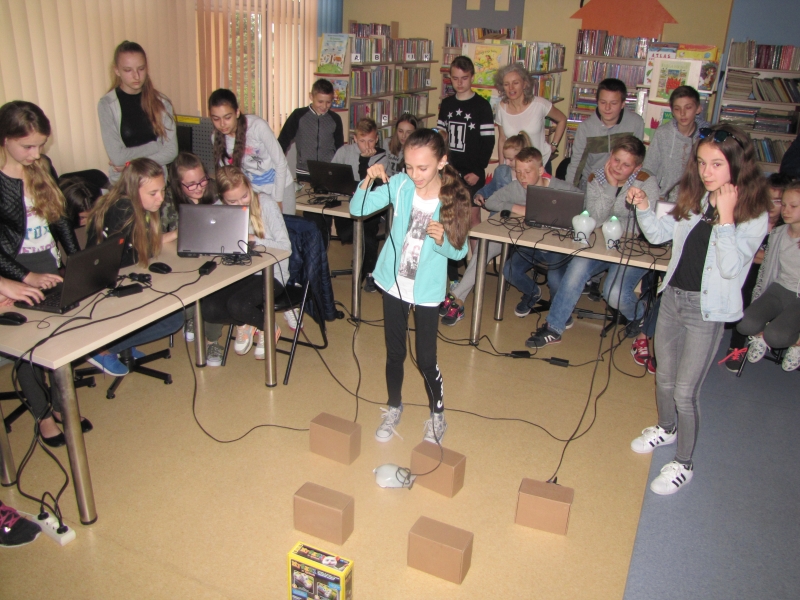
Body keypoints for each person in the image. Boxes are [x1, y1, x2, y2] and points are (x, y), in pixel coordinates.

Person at [628, 124, 770, 495]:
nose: (706, 172)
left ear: (737, 165)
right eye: (702, 163)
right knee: (663, 377)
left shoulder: (753, 214)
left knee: (685, 393)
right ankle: (666, 428)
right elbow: (659, 234)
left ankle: (684, 463)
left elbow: (731, 268)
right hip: (673, 298)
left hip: (707, 312)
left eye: (716, 164)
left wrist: (726, 217)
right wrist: (644, 208)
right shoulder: (698, 197)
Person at [350, 128, 470, 443]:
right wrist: (368, 181)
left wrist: (443, 241)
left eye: (423, 168)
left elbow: (461, 252)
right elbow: (357, 209)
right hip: (394, 285)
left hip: (427, 290)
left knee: (426, 359)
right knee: (395, 353)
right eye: (409, 166)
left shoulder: (453, 197)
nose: (414, 174)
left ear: (442, 162)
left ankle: (438, 414)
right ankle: (394, 407)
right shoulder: (401, 185)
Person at [0, 100, 84, 447]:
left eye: (40, 145)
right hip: (13, 271)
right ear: (5, 139)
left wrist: (77, 260)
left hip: (47, 262)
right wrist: (24, 277)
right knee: (29, 349)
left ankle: (62, 407)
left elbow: (58, 218)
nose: (36, 154)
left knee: (59, 337)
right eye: (27, 146)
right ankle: (44, 416)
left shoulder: (40, 166)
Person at [525, 136, 658, 348]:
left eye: (626, 165)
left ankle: (641, 314)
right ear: (610, 155)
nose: (618, 167)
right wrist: (611, 187)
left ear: (637, 167)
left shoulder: (647, 181)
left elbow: (646, 223)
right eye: (616, 160)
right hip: (600, 242)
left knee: (614, 294)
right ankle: (554, 327)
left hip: (633, 246)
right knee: (577, 267)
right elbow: (594, 218)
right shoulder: (596, 177)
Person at [630, 86, 710, 372]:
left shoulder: (707, 136)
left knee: (675, 273)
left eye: (688, 108)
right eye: (677, 109)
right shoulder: (664, 134)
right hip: (665, 207)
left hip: (693, 208)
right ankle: (646, 328)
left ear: (698, 108)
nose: (683, 114)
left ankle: (652, 333)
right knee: (655, 272)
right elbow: (650, 169)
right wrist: (644, 194)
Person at [86, 158, 185, 377]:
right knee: (173, 319)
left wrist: (175, 233)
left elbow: (144, 244)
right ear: (133, 189)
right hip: (104, 287)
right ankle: (100, 350)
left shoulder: (132, 204)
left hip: (120, 278)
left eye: (162, 190)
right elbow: (126, 257)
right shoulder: (124, 209)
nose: (161, 198)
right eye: (153, 193)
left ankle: (122, 344)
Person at [440, 133, 532, 325]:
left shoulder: (532, 176)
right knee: (481, 253)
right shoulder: (502, 172)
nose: (507, 162)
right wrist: (479, 195)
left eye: (511, 159)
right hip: (498, 227)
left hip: (524, 233)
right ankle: (458, 301)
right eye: (506, 158)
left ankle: (455, 296)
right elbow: (489, 191)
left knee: (480, 255)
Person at [201, 166, 291, 360]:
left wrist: (252, 239)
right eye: (232, 201)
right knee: (208, 308)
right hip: (238, 274)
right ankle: (246, 322)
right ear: (223, 199)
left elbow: (286, 247)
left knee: (238, 305)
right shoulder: (219, 208)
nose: (241, 204)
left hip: (271, 274)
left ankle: (266, 326)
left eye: (244, 196)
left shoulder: (265, 204)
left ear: (249, 187)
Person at [160, 152, 226, 365]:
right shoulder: (167, 200)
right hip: (181, 263)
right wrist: (181, 229)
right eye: (190, 184)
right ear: (177, 184)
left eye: (202, 180)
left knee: (216, 289)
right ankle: (191, 316)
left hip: (212, 256)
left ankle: (212, 340)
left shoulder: (214, 190)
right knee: (192, 292)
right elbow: (154, 240)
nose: (199, 187)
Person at [721, 173, 789, 371]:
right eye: (768, 198)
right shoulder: (751, 218)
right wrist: (759, 255)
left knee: (751, 288)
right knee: (743, 282)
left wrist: (757, 255)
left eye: (778, 201)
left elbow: (777, 260)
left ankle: (736, 346)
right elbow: (738, 250)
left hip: (777, 276)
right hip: (746, 268)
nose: (771, 205)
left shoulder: (787, 227)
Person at [437, 56, 495, 282]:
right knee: (449, 217)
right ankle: (451, 270)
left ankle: (476, 268)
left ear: (472, 77)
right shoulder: (447, 105)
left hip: (473, 172)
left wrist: (479, 171)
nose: (459, 83)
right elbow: (441, 138)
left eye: (464, 78)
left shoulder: (482, 106)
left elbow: (488, 142)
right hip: (449, 171)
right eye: (455, 78)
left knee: (472, 218)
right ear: (450, 78)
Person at [737, 181, 800, 371]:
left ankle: (797, 343)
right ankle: (761, 337)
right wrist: (757, 301)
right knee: (744, 323)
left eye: (793, 206)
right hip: (779, 289)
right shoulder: (778, 233)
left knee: (776, 336)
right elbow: (765, 271)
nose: (785, 211)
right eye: (784, 205)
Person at [97, 41, 178, 184]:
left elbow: (171, 152)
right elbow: (117, 157)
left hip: (156, 183)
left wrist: (129, 164)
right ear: (117, 71)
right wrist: (154, 146)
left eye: (141, 68)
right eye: (128, 70)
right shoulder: (107, 105)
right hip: (124, 184)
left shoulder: (162, 103)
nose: (136, 76)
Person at [208, 89, 293, 215]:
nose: (222, 124)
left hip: (280, 186)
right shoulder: (216, 138)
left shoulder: (257, 127)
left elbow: (280, 163)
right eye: (216, 119)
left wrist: (278, 200)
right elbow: (229, 176)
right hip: (251, 192)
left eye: (227, 117)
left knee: (284, 225)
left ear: (237, 112)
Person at [331, 117, 389, 293]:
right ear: (355, 138)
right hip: (345, 206)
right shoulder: (344, 151)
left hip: (370, 207)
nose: (366, 145)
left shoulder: (381, 156)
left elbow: (368, 184)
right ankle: (365, 268)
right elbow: (332, 174)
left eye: (371, 140)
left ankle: (369, 273)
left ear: (377, 139)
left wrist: (364, 160)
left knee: (367, 234)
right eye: (362, 141)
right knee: (352, 232)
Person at [564, 78, 644, 190]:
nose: (607, 108)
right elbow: (576, 164)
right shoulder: (585, 128)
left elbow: (637, 160)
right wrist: (568, 191)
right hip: (592, 184)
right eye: (603, 102)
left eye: (613, 103)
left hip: (624, 186)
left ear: (622, 104)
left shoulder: (636, 123)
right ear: (597, 101)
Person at [494, 63, 567, 174]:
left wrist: (554, 145)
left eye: (515, 83)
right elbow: (502, 139)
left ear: (525, 84)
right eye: (506, 84)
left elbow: (562, 119)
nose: (511, 88)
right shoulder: (501, 108)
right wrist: (502, 166)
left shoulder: (540, 104)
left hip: (540, 165)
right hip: (514, 169)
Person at [277, 78, 344, 182]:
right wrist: (276, 164)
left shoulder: (335, 119)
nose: (324, 106)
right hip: (304, 171)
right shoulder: (298, 115)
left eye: (328, 102)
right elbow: (283, 141)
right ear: (311, 96)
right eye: (320, 101)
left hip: (328, 171)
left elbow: (339, 147)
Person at [384, 113, 418, 177]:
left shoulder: (418, 148)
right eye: (400, 131)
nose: (403, 136)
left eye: (408, 132)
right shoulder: (387, 143)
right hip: (389, 180)